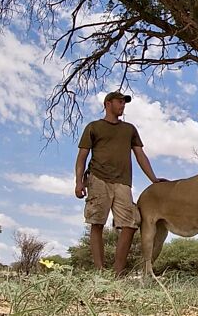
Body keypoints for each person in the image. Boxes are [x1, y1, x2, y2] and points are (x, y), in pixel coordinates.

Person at [74, 91, 166, 276]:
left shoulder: (129, 129)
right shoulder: (94, 127)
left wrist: (154, 179)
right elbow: (82, 156)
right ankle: (100, 272)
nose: (123, 105)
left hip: (123, 182)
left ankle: (117, 273)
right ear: (108, 103)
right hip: (98, 178)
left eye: (124, 102)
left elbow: (140, 154)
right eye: (119, 102)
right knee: (97, 223)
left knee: (131, 224)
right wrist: (78, 182)